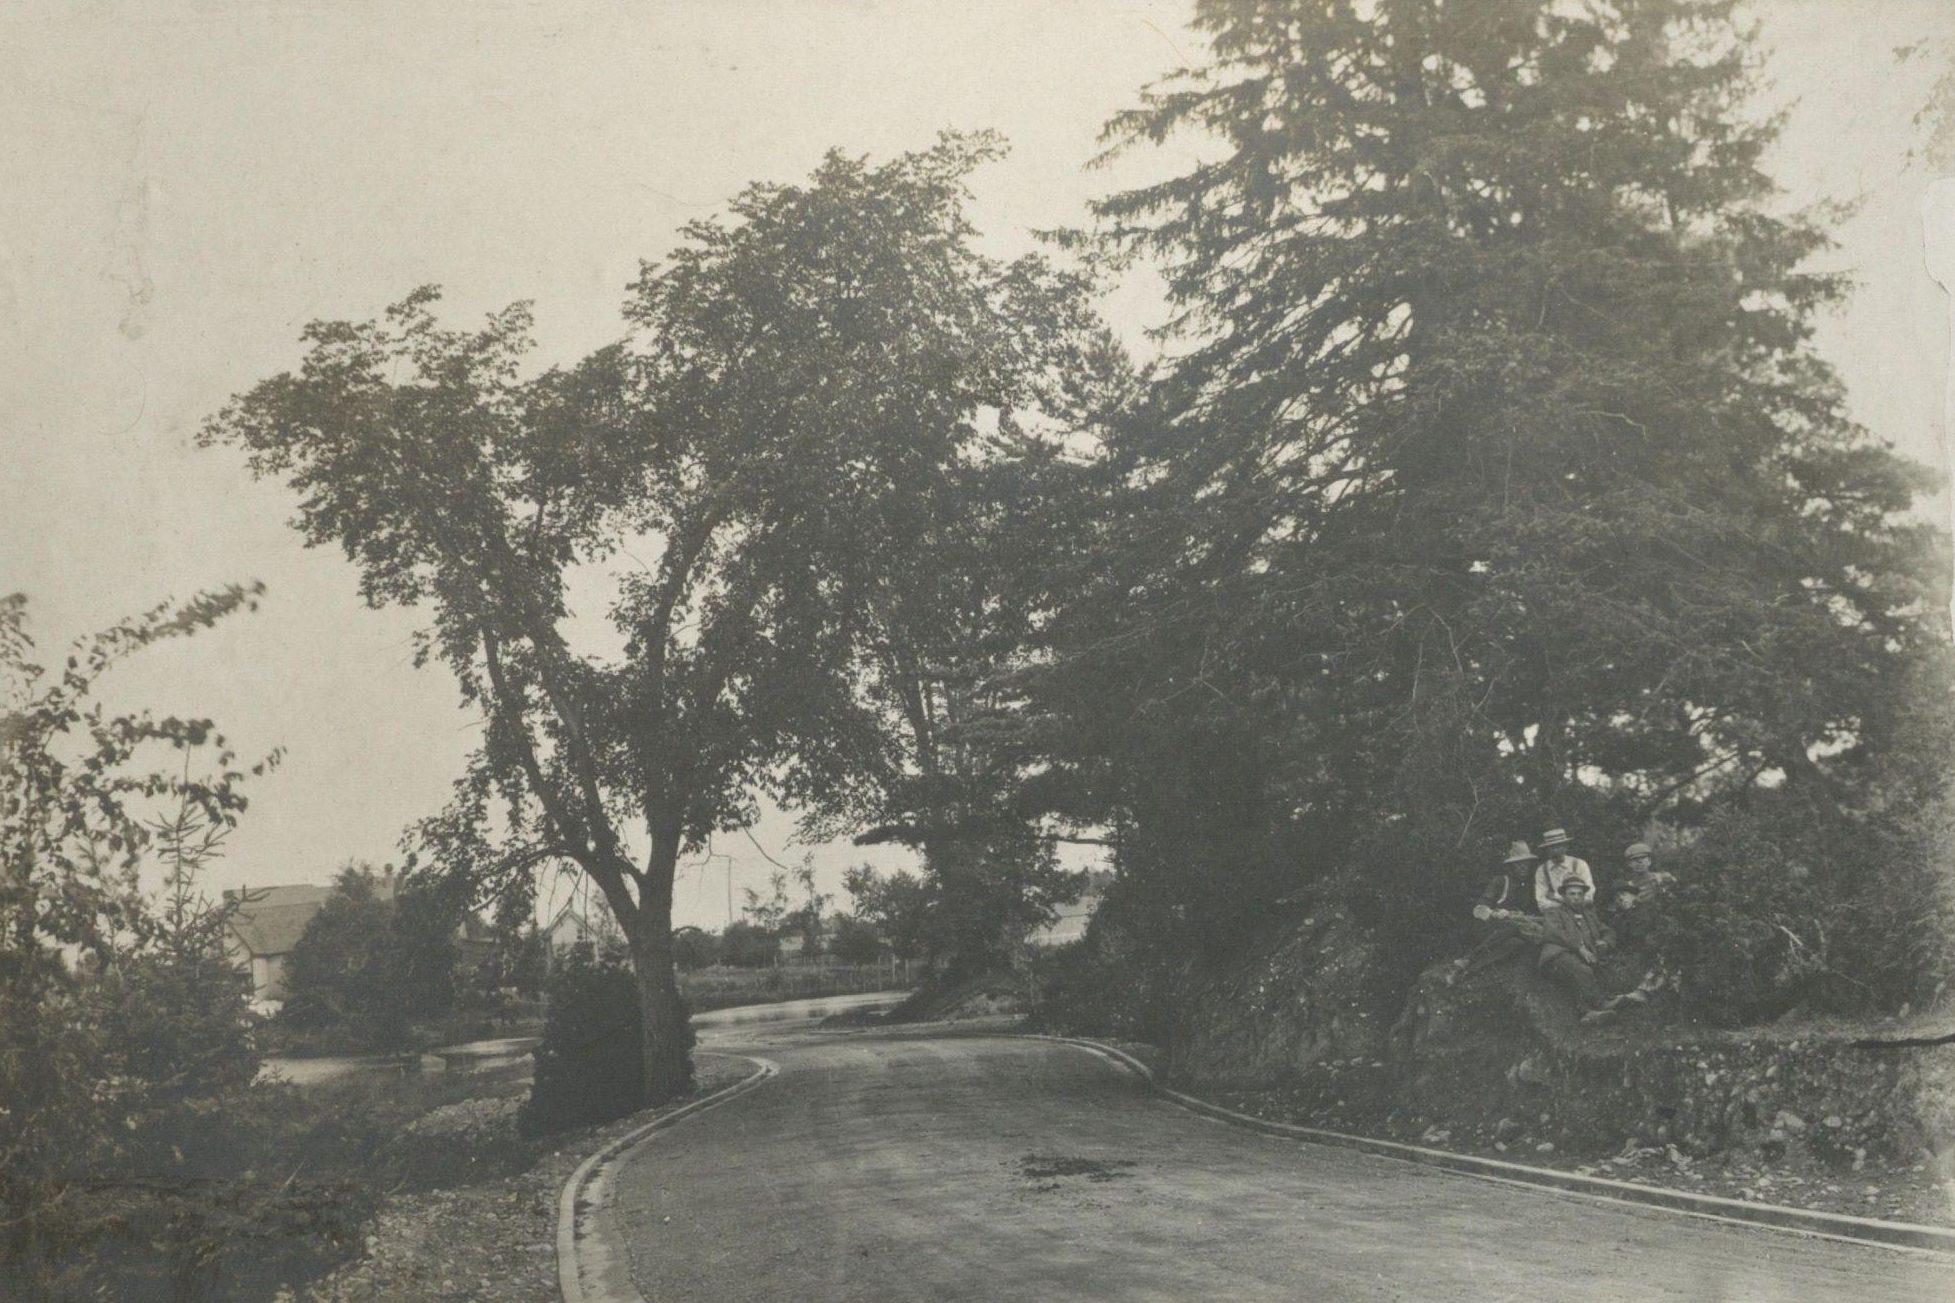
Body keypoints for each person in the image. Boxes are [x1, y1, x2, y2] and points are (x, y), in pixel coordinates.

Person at [1537, 877, 1643, 1023]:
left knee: (1593, 973)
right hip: (1557, 957)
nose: (1576, 898)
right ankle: (1602, 1004)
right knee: (1581, 970)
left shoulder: (1589, 915)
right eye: (1572, 894)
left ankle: (1589, 1013)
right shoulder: (1554, 912)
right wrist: (1579, 947)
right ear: (1563, 896)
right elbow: (1553, 933)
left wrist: (1605, 942)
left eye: (1579, 894)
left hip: (1582, 959)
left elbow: (1608, 931)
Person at [1452, 841, 1547, 982]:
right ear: (1511, 866)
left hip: (1513, 931)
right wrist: (1494, 913)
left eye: (1526, 864)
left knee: (1516, 943)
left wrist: (1520, 914)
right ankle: (1468, 959)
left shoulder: (1529, 886)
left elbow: (1530, 911)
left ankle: (1468, 970)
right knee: (1511, 928)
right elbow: (1479, 909)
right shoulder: (1500, 881)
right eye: (1519, 864)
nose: (1523, 867)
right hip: (1489, 928)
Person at [1532, 827, 1595, 910]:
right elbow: (1541, 903)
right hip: (1555, 915)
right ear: (1546, 850)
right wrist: (1570, 903)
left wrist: (1554, 896)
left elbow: (1588, 897)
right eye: (1552, 847)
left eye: (1559, 846)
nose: (1556, 850)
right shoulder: (1542, 870)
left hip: (1582, 911)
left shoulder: (1580, 864)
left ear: (1566, 847)